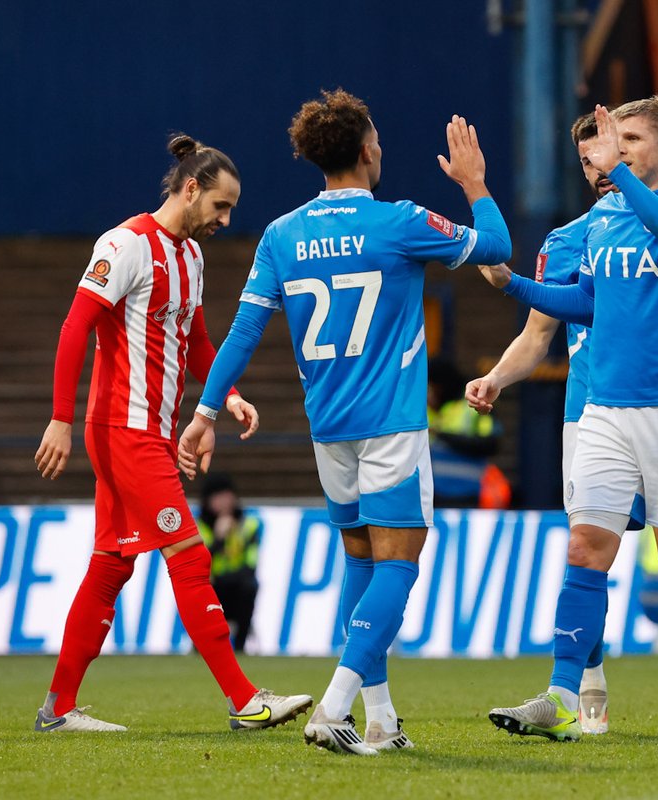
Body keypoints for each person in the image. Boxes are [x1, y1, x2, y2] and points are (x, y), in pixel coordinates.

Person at [177, 90, 511, 755]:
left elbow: (242, 333)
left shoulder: (281, 235)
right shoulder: (400, 220)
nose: (381, 148)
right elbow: (496, 245)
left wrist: (205, 412)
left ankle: (380, 718)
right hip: (390, 420)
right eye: (378, 140)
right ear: (365, 151)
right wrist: (474, 183)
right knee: (399, 564)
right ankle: (334, 707)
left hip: (328, 426)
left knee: (361, 559)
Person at [466, 110, 658, 736]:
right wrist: (512, 284)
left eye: (630, 138)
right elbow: (586, 303)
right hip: (604, 411)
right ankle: (565, 697)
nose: (615, 149)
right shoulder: (600, 223)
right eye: (613, 141)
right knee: (585, 546)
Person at [32, 134, 311, 733]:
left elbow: (198, 343)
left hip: (153, 433)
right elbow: (76, 327)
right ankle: (244, 700)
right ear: (190, 189)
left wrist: (227, 397)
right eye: (220, 205)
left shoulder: (192, 258)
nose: (226, 219)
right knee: (189, 552)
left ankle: (57, 708)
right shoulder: (125, 244)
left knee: (111, 565)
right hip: (122, 430)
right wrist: (60, 417)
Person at [427, 358, 505, 508]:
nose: (429, 393)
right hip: (431, 496)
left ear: (441, 386)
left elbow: (490, 444)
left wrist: (442, 435)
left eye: (431, 387)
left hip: (468, 495)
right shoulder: (424, 409)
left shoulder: (473, 405)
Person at [197, 473, 261, 652]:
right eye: (218, 496)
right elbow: (198, 563)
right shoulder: (197, 527)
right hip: (211, 588)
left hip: (236, 586)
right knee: (199, 591)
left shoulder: (248, 525)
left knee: (249, 586)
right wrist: (219, 539)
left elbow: (251, 564)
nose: (224, 501)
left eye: (227, 495)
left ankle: (240, 647)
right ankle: (202, 645)